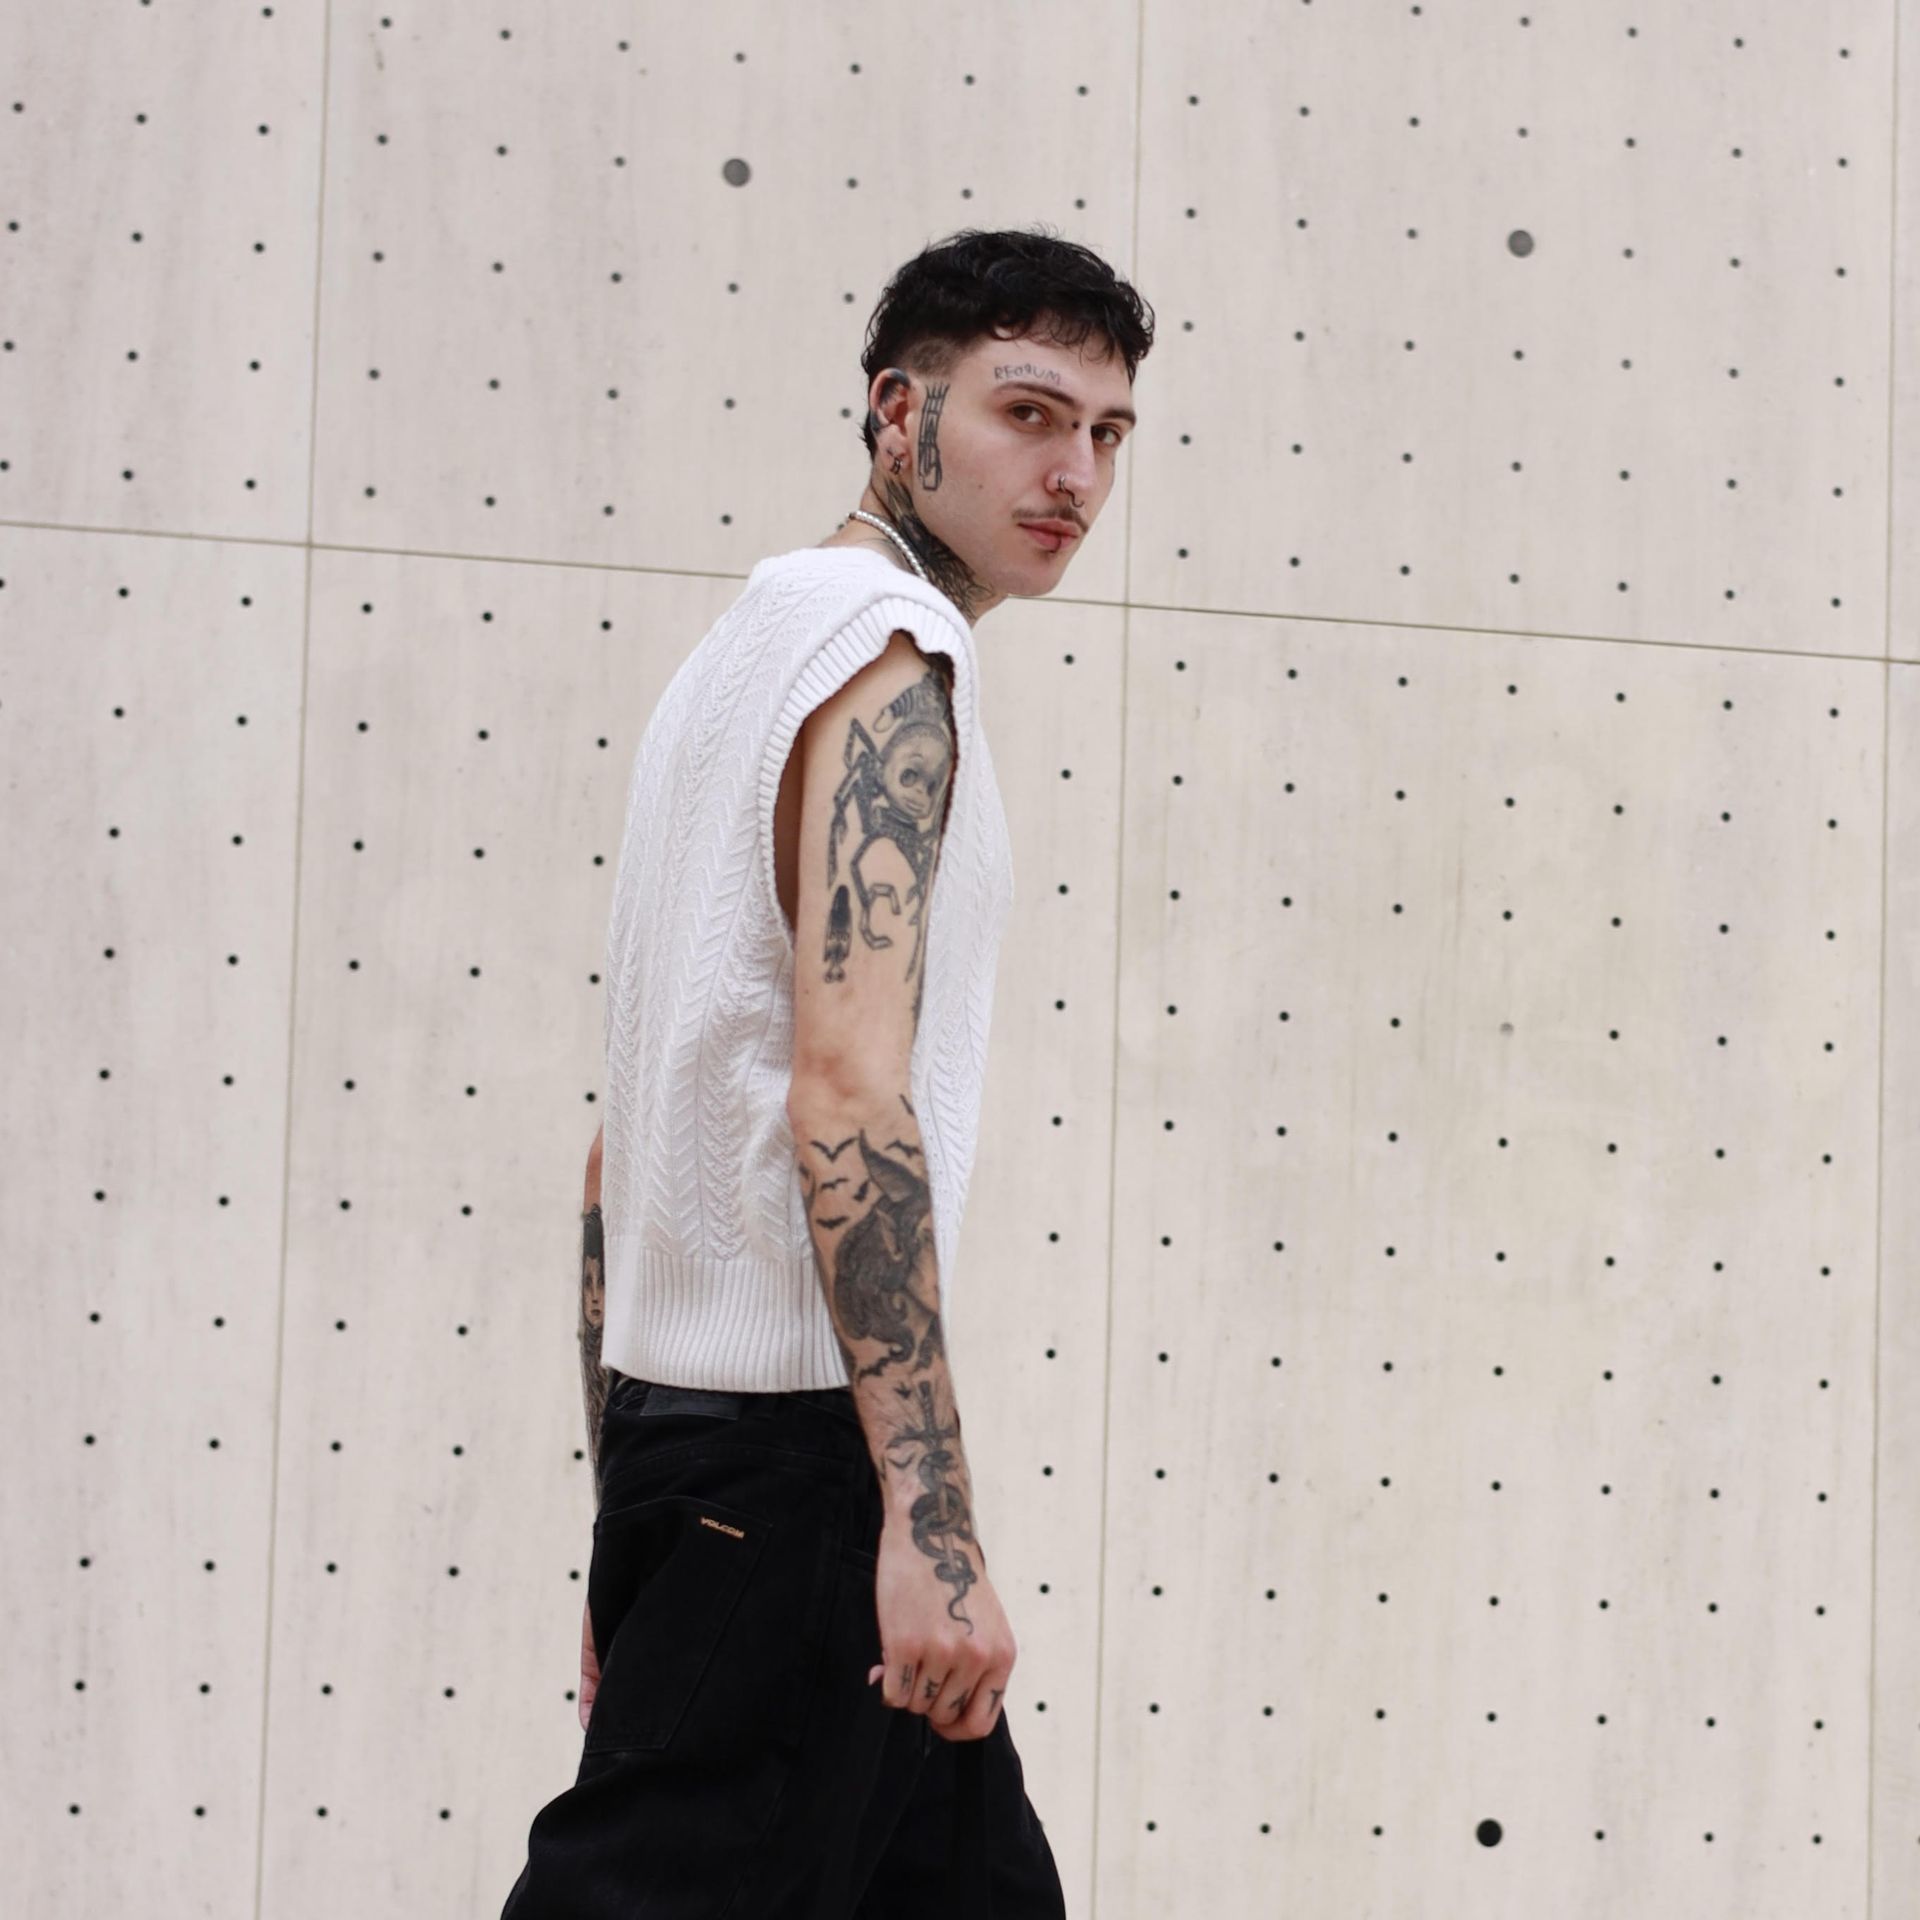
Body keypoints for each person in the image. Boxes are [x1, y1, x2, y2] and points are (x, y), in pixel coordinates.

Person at [500, 226, 1153, 1917]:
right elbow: (850, 1097)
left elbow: (620, 1155)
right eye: (1027, 413)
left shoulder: (737, 661)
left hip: (705, 1458)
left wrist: (632, 1514)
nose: (1074, 475)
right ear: (897, 413)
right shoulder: (887, 658)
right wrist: (931, 1528)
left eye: (1106, 432)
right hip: (798, 1480)